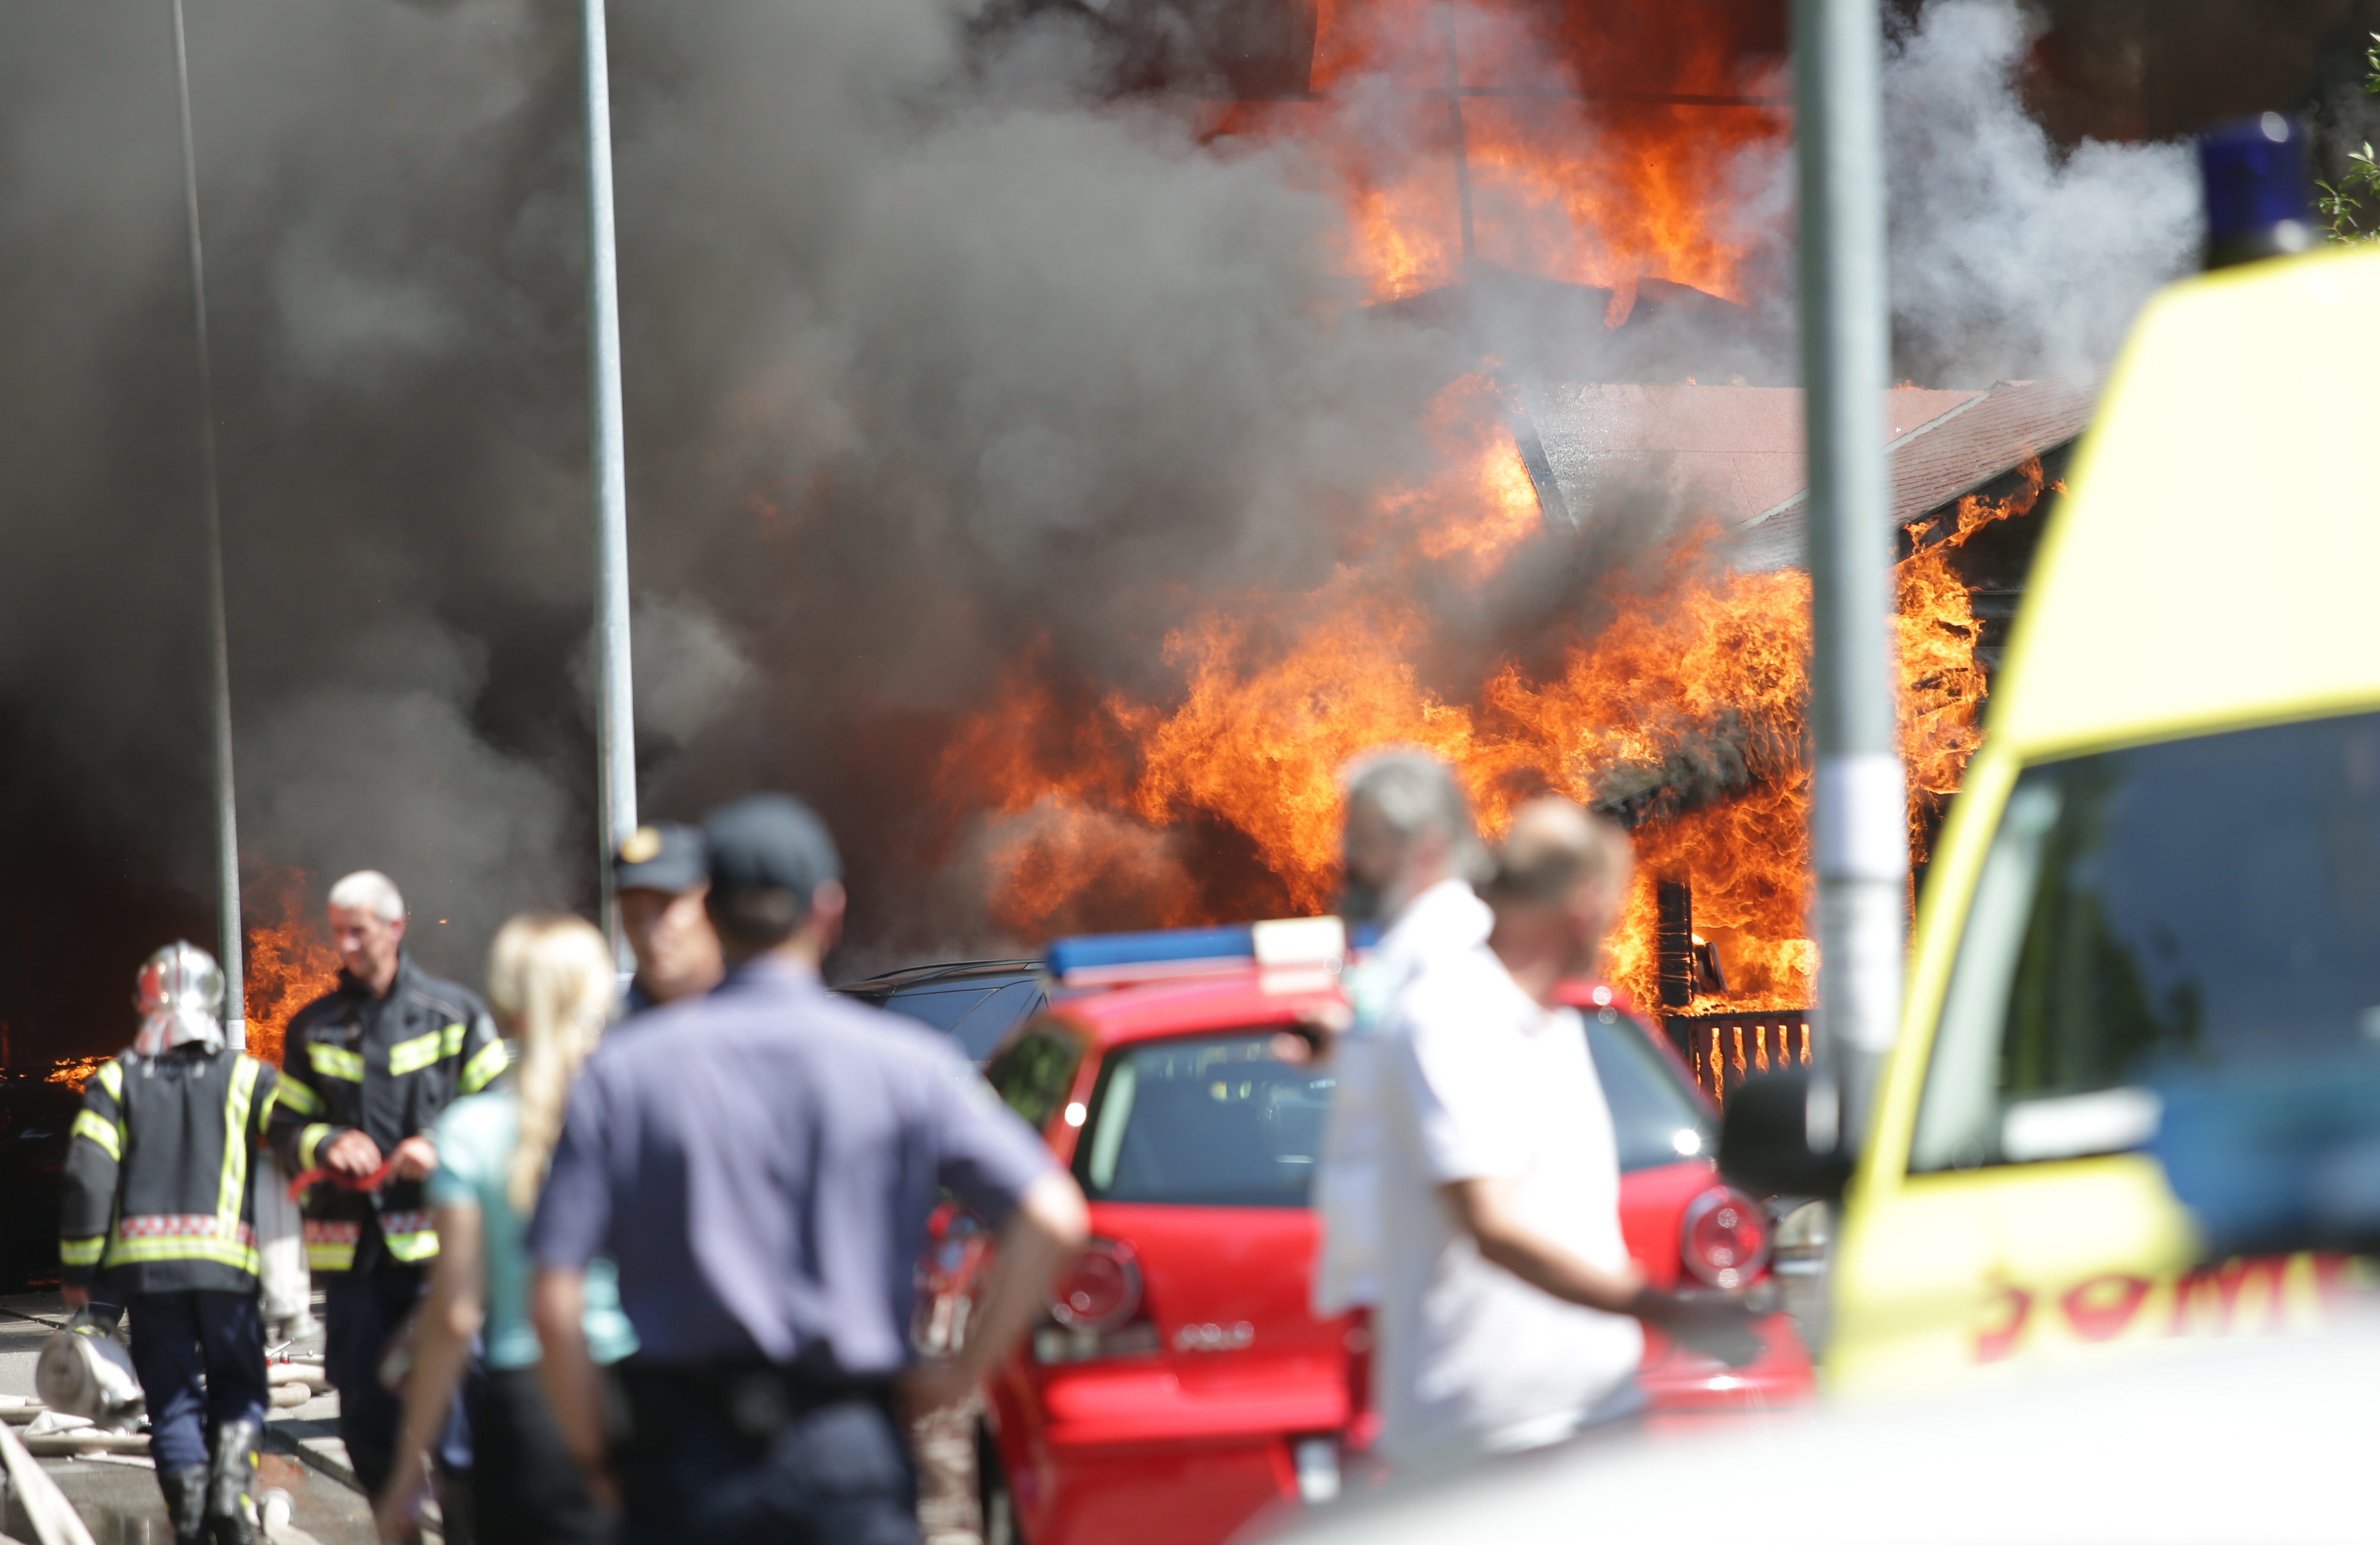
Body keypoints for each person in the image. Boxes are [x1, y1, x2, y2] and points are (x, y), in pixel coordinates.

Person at [527, 793, 1089, 1544]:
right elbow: (1053, 1215)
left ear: (710, 915)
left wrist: (595, 1455)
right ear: (828, 912)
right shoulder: (910, 1066)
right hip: (846, 1452)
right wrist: (960, 1374)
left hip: (683, 1461)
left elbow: (553, 1291)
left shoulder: (622, 1073)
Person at [1371, 799, 1761, 1472]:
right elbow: (1492, 1225)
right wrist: (1663, 1311)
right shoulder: (1451, 1014)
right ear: (1583, 906)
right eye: (1613, 910)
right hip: (1487, 1436)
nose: (1613, 932)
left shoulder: (1560, 1019)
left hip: (1596, 1410)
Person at [376, 914, 636, 1544]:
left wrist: (408, 1476)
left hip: (525, 1418)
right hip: (638, 1397)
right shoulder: (643, 1111)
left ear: (506, 1007)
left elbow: (457, 1316)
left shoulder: (470, 1131)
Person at [267, 870, 506, 1503]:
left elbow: (506, 1107)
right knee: (365, 1415)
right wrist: (325, 1143)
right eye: (338, 931)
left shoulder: (453, 1015)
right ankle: (391, 1516)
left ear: (396, 928)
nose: (345, 944)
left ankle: (464, 1525)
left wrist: (441, 1143)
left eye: (359, 931)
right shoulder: (311, 1028)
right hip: (354, 1260)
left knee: (460, 1411)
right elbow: (286, 1124)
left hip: (439, 1255)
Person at [59, 943, 280, 1544]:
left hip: (149, 1275)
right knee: (239, 1385)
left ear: (143, 1004)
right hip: (228, 1271)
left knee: (173, 1396)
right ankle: (232, 1495)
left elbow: (87, 1173)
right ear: (215, 1001)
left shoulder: (116, 1080)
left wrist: (80, 1264)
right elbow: (300, 1147)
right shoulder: (250, 1076)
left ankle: (188, 1512)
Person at [1310, 748, 1493, 1319]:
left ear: (1429, 846)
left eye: (1365, 840)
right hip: (1397, 1297)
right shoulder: (1406, 958)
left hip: (1446, 1309)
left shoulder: (1446, 967)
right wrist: (1341, 1043)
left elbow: (1480, 1194)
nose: (1351, 858)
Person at [611, 822, 722, 1015]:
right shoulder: (608, 1031)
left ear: (710, 905)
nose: (648, 930)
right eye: (632, 913)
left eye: (664, 908)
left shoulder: (757, 1009)